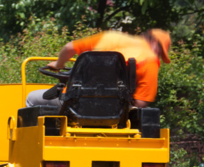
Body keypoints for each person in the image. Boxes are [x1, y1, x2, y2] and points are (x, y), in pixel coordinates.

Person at [27, 29, 171, 109]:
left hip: (76, 103)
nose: (158, 54)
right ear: (153, 41)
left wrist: (58, 64)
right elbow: (140, 103)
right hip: (115, 111)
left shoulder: (111, 38)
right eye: (160, 51)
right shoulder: (151, 60)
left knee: (31, 99)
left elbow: (69, 48)